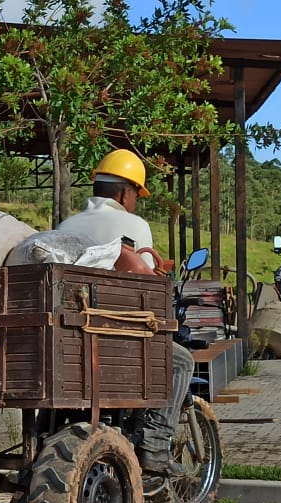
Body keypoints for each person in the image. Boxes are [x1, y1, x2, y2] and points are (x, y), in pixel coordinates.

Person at [56, 148, 193, 475]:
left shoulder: (66, 225)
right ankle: (157, 444)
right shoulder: (134, 226)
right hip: (117, 338)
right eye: (136, 195)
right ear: (123, 192)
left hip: (70, 338)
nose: (135, 202)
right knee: (181, 361)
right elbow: (145, 291)